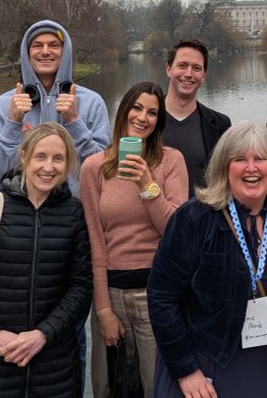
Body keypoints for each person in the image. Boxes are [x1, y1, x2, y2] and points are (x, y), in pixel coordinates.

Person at [147, 121, 267, 398]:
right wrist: (185, 370)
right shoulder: (194, 218)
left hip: (265, 361)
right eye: (239, 160)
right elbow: (161, 297)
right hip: (206, 364)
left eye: (261, 159)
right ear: (223, 167)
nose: (251, 168)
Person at [0, 122, 92, 398]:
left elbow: (81, 287)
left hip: (56, 366)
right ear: (24, 157)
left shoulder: (73, 213)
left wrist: (43, 334)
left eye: (58, 159)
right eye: (41, 156)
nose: (49, 167)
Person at [80, 81, 188, 398]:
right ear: (124, 111)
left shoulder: (171, 161)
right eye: (137, 108)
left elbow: (175, 232)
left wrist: (147, 184)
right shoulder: (94, 167)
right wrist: (102, 310)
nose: (143, 117)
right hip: (112, 293)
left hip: (157, 294)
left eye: (152, 112)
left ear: (159, 121)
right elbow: (96, 242)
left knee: (159, 387)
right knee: (109, 387)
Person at [0, 20, 110, 195]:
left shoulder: (92, 103)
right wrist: (12, 123)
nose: (46, 51)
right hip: (20, 217)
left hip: (75, 215)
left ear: (65, 52)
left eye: (54, 45)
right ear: (27, 53)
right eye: (37, 45)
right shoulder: (1, 106)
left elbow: (103, 173)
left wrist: (75, 123)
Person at [161, 38, 232, 197]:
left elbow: (226, 182)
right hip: (153, 219)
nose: (188, 74)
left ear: (204, 76)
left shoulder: (220, 125)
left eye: (196, 68)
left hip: (202, 219)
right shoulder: (144, 119)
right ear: (168, 69)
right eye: (182, 65)